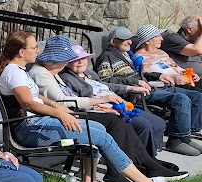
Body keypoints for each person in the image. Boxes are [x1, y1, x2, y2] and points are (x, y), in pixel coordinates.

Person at [0, 31, 183, 182]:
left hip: (37, 124)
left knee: (99, 129)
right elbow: (28, 103)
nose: (38, 50)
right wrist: (60, 113)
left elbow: (36, 96)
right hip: (30, 129)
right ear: (21, 52)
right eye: (34, 47)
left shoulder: (19, 70)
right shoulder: (14, 73)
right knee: (100, 136)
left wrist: (55, 106)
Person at [95, 26, 202, 156]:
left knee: (196, 96)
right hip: (136, 94)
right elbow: (105, 81)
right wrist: (135, 83)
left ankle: (185, 137)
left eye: (130, 39)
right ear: (113, 42)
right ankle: (176, 140)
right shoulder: (107, 57)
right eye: (125, 39)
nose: (130, 42)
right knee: (180, 98)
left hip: (149, 87)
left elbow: (142, 74)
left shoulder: (127, 56)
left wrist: (157, 75)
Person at [61, 44, 171, 160]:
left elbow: (106, 85)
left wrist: (129, 88)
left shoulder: (90, 73)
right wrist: (102, 104)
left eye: (83, 58)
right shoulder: (67, 78)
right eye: (75, 60)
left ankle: (150, 157)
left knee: (158, 123)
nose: (80, 62)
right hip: (105, 110)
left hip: (121, 104)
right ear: (67, 63)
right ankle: (140, 162)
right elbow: (78, 100)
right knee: (143, 125)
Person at [160, 15, 202, 88]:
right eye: (200, 28)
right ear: (189, 29)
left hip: (197, 78)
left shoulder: (195, 41)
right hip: (188, 80)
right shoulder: (173, 38)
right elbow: (196, 50)